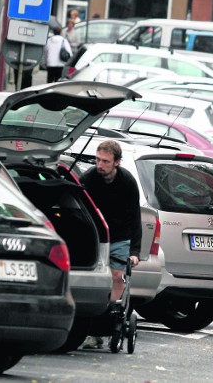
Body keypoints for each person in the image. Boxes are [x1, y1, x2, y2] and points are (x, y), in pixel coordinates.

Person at [80, 140, 142, 349]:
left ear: (117, 162)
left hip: (119, 236)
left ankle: (112, 314)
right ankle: (90, 325)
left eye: (105, 161)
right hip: (95, 237)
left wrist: (135, 252)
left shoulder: (127, 182)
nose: (100, 165)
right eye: (97, 159)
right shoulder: (88, 179)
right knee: (92, 277)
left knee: (117, 276)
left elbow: (135, 217)